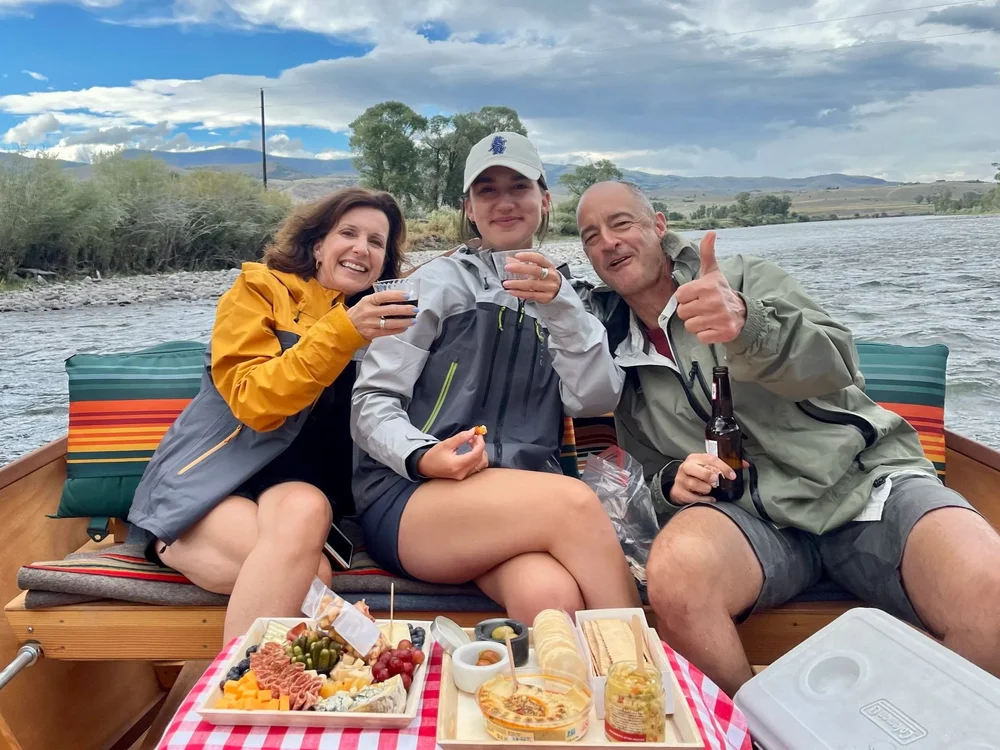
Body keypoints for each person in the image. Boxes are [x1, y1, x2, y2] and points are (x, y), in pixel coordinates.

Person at [575, 179, 1000, 696]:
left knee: (991, 595)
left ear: (659, 226)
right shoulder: (615, 350)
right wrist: (671, 482)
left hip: (865, 485)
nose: (609, 242)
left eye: (622, 223)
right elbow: (641, 473)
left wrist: (747, 325)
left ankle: (893, 729)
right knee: (677, 576)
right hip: (750, 520)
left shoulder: (745, 279)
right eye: (590, 235)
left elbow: (836, 362)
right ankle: (752, 734)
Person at [350, 132, 641, 620]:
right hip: (413, 495)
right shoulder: (430, 286)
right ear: (469, 206)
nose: (504, 202)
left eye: (518, 187)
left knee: (549, 598)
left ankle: (560, 694)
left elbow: (594, 398)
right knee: (574, 504)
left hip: (515, 504)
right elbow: (372, 401)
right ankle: (649, 681)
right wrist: (422, 456)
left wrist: (561, 307)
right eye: (487, 190)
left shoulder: (574, 300)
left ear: (544, 201)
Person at [129, 187, 414, 642]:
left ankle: (229, 695)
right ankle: (254, 688)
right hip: (207, 492)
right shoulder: (259, 291)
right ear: (318, 245)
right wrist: (343, 333)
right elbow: (253, 402)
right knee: (312, 572)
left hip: (298, 506)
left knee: (307, 510)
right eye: (348, 233)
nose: (362, 248)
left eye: (377, 242)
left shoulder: (383, 322)